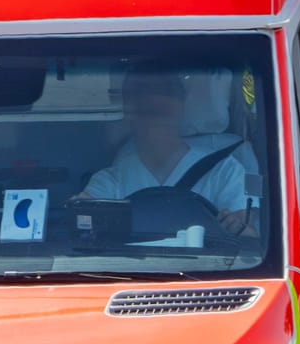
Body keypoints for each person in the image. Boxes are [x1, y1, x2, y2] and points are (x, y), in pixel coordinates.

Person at [81, 71, 252, 234]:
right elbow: (82, 226)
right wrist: (80, 210)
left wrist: (237, 228)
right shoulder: (110, 180)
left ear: (182, 105)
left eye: (164, 95)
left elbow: (250, 243)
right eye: (143, 101)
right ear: (129, 112)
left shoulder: (224, 170)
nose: (153, 101)